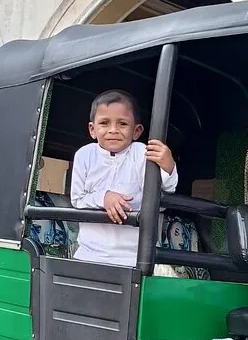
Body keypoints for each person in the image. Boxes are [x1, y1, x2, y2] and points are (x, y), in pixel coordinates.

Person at [70, 89, 178, 267]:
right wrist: (104, 197)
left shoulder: (141, 153)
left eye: (122, 124)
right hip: (90, 255)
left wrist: (168, 166)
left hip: (136, 257)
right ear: (92, 129)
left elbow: (163, 193)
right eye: (104, 123)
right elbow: (77, 199)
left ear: (136, 131)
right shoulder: (84, 155)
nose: (113, 130)